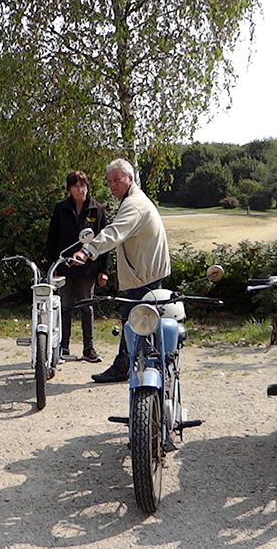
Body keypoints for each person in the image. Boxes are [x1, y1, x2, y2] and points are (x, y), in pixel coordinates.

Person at [72, 158, 170, 383]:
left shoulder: (134, 204)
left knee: (133, 322)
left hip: (143, 277)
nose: (112, 185)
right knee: (136, 323)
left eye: (117, 179)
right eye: (109, 181)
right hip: (146, 273)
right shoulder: (134, 200)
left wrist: (87, 251)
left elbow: (115, 232)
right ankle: (131, 365)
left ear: (130, 179)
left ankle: (132, 369)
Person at [45, 171, 109, 363]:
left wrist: (103, 270)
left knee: (86, 306)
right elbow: (52, 239)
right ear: (69, 189)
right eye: (75, 186)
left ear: (88, 187)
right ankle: (63, 347)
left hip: (88, 268)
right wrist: (52, 266)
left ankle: (88, 348)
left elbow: (104, 242)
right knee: (64, 306)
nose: (80, 190)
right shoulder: (61, 209)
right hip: (63, 266)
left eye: (83, 185)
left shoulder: (97, 209)